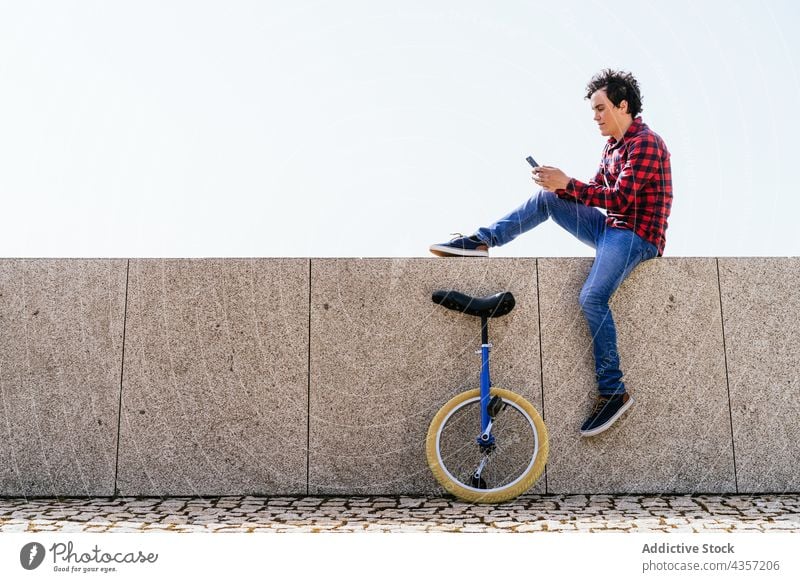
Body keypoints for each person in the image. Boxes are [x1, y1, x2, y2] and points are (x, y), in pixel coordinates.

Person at [429, 69, 673, 437]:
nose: (595, 116)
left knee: (592, 296)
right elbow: (595, 191)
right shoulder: (612, 147)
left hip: (638, 236)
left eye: (600, 108)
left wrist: (570, 184)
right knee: (547, 198)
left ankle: (613, 392)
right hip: (611, 229)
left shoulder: (646, 143)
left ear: (623, 106)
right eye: (593, 110)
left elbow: (621, 199)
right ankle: (482, 241)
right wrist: (559, 185)